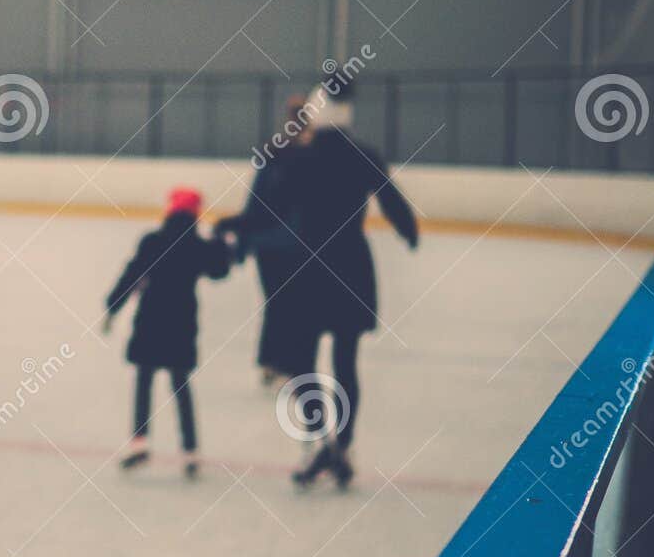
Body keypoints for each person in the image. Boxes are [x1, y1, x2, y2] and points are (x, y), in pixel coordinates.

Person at [281, 99, 419, 489]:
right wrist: (407, 230)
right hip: (351, 266)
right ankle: (341, 444)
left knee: (300, 360)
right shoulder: (363, 155)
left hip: (308, 268)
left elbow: (272, 208)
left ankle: (320, 438)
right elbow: (390, 197)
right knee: (346, 362)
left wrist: (239, 233)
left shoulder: (301, 159)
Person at [103, 187, 233, 479]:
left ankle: (139, 442)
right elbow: (219, 271)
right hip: (182, 320)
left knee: (144, 378)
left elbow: (132, 273)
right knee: (180, 384)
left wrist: (113, 305)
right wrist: (223, 243)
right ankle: (190, 450)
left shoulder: (153, 241)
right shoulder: (199, 246)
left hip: (150, 317)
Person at [217, 95, 310, 385]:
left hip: (270, 245)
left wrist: (243, 242)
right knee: (292, 303)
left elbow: (254, 206)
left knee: (277, 301)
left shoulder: (274, 153)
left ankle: (271, 361)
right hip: (294, 245)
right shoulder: (308, 156)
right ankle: (285, 363)